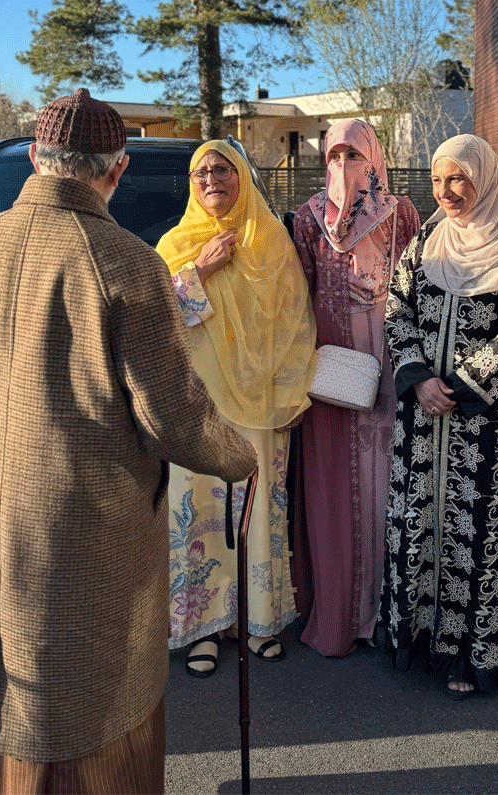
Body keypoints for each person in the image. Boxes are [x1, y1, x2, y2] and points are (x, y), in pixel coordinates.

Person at [0, 90, 256, 795]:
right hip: (86, 538)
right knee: (95, 733)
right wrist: (242, 456)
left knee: (4, 708)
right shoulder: (127, 263)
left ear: (38, 160)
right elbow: (175, 418)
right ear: (118, 169)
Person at [379, 134, 498, 698]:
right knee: (418, 525)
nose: (446, 191)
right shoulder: (426, 241)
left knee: (478, 535)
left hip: (488, 422)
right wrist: (417, 379)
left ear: (484, 179)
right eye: (436, 180)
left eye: (457, 179)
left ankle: (473, 655)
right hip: (422, 419)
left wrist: (457, 383)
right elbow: (397, 308)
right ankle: (421, 640)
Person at [157, 140, 316, 674]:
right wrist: (197, 270)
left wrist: (294, 392)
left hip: (264, 406)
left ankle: (257, 622)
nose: (211, 180)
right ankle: (204, 629)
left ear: (241, 177)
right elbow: (157, 324)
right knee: (201, 520)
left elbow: (298, 324)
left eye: (222, 170)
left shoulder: (272, 241)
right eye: (200, 172)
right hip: (199, 409)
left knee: (258, 519)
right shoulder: (174, 245)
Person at [290, 119, 420, 657]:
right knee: (335, 491)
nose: (343, 164)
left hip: (389, 367)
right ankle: (342, 613)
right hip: (332, 376)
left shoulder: (402, 213)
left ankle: (389, 612)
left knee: (386, 485)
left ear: (374, 157)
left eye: (354, 153)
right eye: (334, 154)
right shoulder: (307, 218)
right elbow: (297, 296)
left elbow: (417, 288)